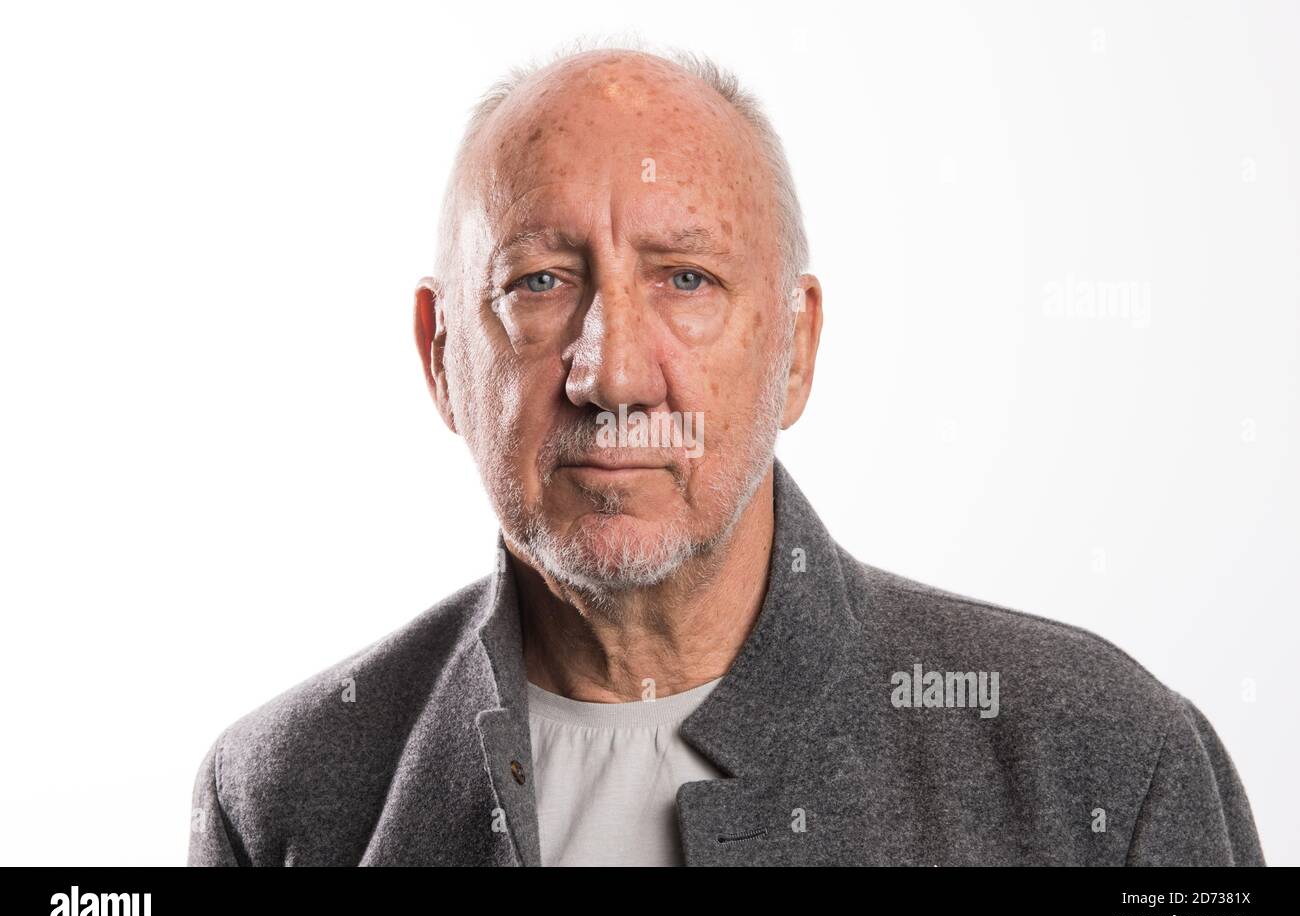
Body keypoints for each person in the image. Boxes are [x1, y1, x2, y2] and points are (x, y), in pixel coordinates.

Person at [188, 42, 1265, 866]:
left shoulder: (1105, 760)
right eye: (538, 282)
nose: (611, 376)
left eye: (686, 279)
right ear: (438, 357)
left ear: (794, 349)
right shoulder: (284, 796)